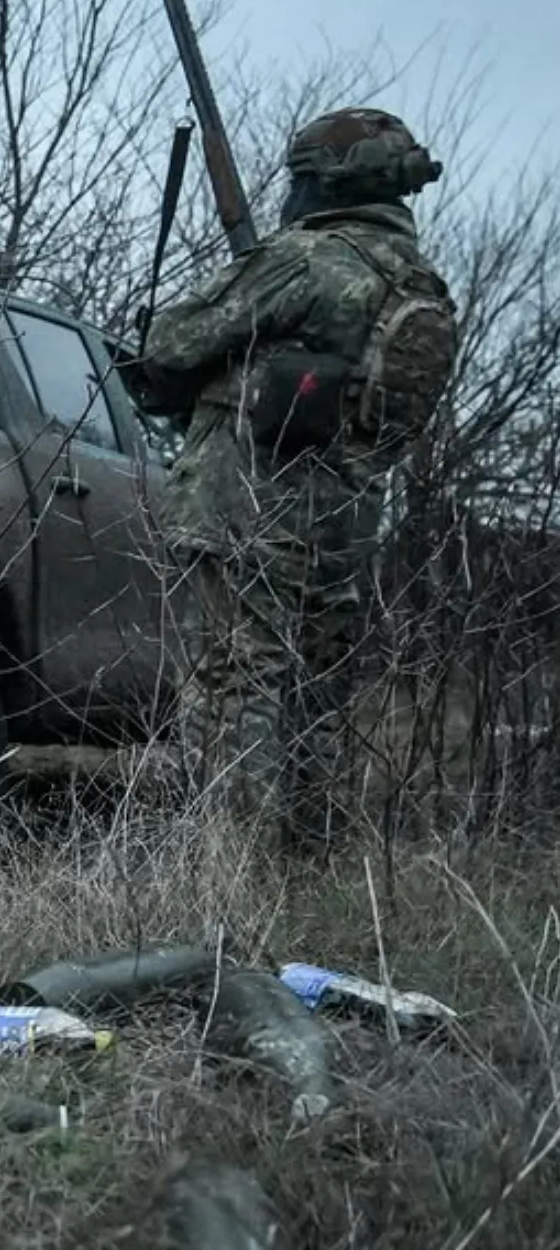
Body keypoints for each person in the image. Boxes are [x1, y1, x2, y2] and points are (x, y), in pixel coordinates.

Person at [141, 107, 458, 856]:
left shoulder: (308, 260)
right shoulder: (419, 284)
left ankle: (231, 882)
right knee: (314, 699)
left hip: (246, 508)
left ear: (323, 183)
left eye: (296, 180)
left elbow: (170, 342)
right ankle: (305, 874)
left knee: (232, 687)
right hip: (343, 521)